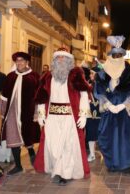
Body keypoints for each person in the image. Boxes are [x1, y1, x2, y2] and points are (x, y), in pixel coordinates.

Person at [34, 48, 92, 185]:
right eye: (58, 57)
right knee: (53, 145)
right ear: (54, 60)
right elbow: (42, 97)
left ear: (69, 60)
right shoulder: (47, 76)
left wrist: (83, 115)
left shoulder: (76, 74)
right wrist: (41, 115)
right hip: (52, 117)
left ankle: (64, 173)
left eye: (63, 57)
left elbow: (84, 94)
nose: (60, 60)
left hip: (69, 118)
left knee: (67, 146)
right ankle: (57, 168)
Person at [94, 36, 130, 174]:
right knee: (109, 138)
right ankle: (112, 164)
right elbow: (98, 90)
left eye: (120, 55)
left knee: (127, 138)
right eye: (115, 54)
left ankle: (126, 165)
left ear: (123, 56)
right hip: (109, 112)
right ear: (111, 55)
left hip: (126, 112)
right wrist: (108, 105)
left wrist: (124, 105)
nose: (117, 57)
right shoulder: (102, 72)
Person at [0, 51, 40, 175]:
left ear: (27, 62)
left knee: (28, 136)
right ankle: (18, 165)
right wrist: (2, 112)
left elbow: (39, 97)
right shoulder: (10, 76)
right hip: (12, 112)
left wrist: (38, 113)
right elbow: (4, 95)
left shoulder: (34, 76)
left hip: (28, 112)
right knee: (13, 137)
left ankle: (33, 155)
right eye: (17, 61)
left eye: (22, 60)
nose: (19, 63)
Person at [86, 68, 101, 162]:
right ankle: (92, 154)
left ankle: (105, 154)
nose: (90, 76)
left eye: (92, 74)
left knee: (101, 134)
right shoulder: (88, 85)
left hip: (101, 113)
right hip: (90, 113)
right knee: (91, 134)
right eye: (90, 74)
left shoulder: (103, 86)